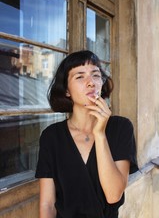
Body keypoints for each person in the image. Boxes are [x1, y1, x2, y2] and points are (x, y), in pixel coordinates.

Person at [35, 50, 138, 218]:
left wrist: (100, 134)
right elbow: (47, 204)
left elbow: (113, 195)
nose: (91, 83)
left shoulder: (121, 127)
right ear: (67, 90)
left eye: (96, 75)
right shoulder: (51, 136)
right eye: (80, 76)